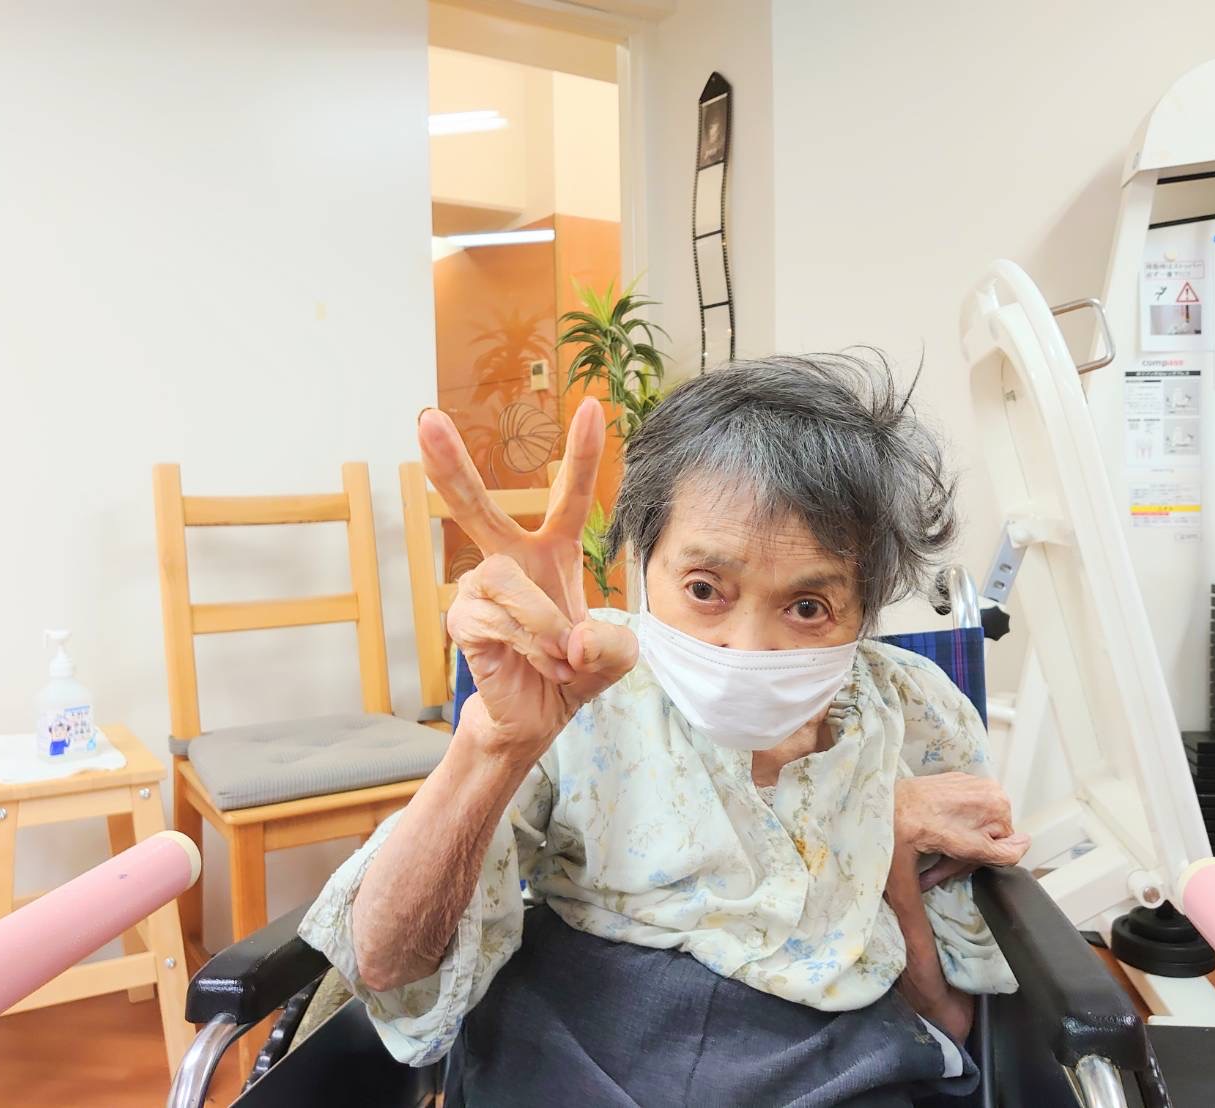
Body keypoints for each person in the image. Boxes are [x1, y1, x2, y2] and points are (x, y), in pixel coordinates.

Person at [301, 353, 1030, 1106]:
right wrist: (495, 745)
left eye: (808, 607)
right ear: (643, 565)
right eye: (705, 589)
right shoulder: (578, 682)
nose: (747, 647)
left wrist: (887, 843)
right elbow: (388, 963)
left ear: (866, 611)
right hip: (571, 1045)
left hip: (835, 1067)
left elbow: (949, 1020)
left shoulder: (914, 716)